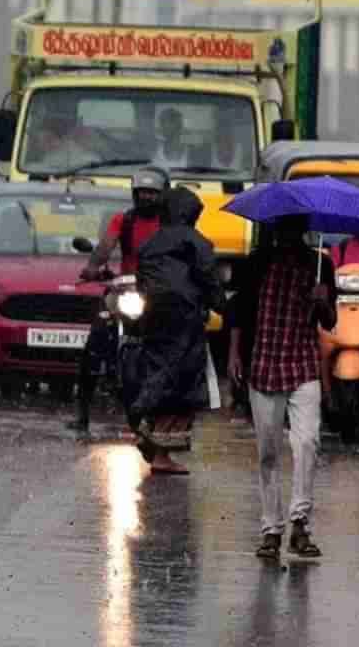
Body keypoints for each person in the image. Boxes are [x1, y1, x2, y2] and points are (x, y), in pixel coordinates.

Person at [228, 214, 336, 560]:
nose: (286, 236)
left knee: (307, 442)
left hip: (303, 363)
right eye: (281, 229)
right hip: (263, 364)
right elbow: (241, 312)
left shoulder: (321, 264)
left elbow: (330, 322)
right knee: (268, 452)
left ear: (302, 231)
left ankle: (300, 524)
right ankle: (271, 530)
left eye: (292, 230)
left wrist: (323, 301)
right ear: (274, 231)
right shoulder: (257, 262)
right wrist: (233, 354)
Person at [129, 187, 224, 474]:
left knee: (159, 374)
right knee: (184, 386)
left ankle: (147, 427)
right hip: (187, 323)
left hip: (153, 322)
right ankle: (160, 450)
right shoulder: (198, 244)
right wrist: (223, 307)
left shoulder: (148, 244)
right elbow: (210, 283)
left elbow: (142, 283)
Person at [69, 166, 169, 434]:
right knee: (95, 343)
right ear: (134, 194)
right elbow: (105, 247)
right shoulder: (123, 220)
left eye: (152, 193)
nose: (147, 197)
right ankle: (82, 413)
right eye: (142, 192)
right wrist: (92, 268)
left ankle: (170, 410)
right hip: (125, 291)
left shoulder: (169, 224)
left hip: (158, 294)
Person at [151, 108, 191, 172]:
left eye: (163, 122)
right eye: (161, 123)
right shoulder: (155, 153)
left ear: (176, 125)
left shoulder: (191, 154)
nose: (160, 127)